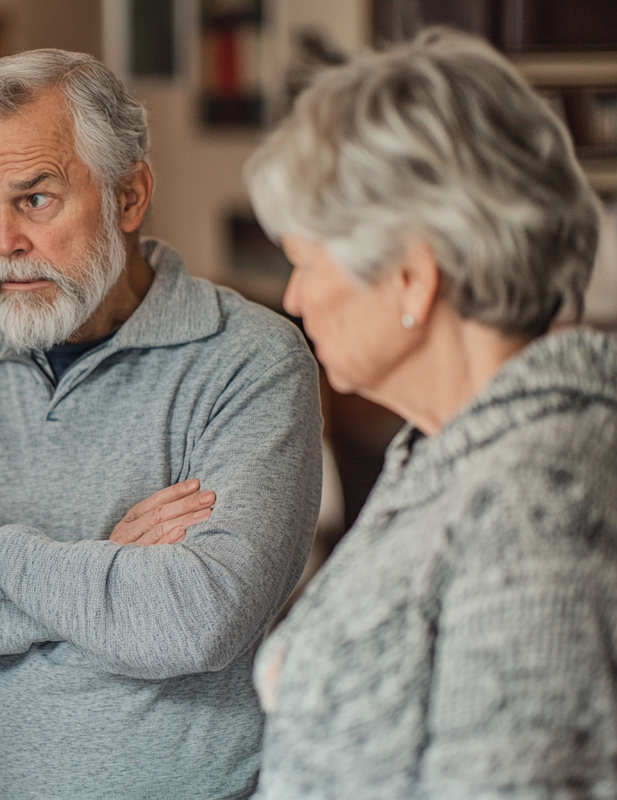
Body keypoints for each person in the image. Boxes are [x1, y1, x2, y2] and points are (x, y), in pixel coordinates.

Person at [0, 49, 323, 800]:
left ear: (128, 195)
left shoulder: (253, 361)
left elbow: (194, 622)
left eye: (35, 199)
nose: (3, 241)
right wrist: (105, 565)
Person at [244, 28, 617, 798]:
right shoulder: (446, 451)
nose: (293, 298)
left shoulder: (539, 498)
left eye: (307, 262)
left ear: (412, 277)